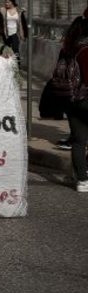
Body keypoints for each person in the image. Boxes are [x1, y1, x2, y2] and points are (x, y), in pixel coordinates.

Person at [53, 17, 88, 191]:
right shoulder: (85, 51)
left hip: (70, 99)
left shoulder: (67, 48)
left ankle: (81, 180)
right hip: (85, 99)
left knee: (79, 140)